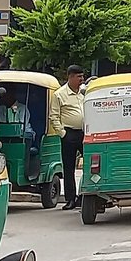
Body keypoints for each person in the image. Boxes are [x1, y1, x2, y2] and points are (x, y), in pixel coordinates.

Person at [54, 65, 87, 210]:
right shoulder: (59, 94)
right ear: (71, 77)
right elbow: (53, 117)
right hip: (69, 134)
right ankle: (70, 199)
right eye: (79, 77)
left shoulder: (84, 93)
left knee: (91, 165)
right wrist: (63, 134)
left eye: (82, 76)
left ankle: (84, 195)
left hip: (85, 133)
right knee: (69, 168)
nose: (82, 79)